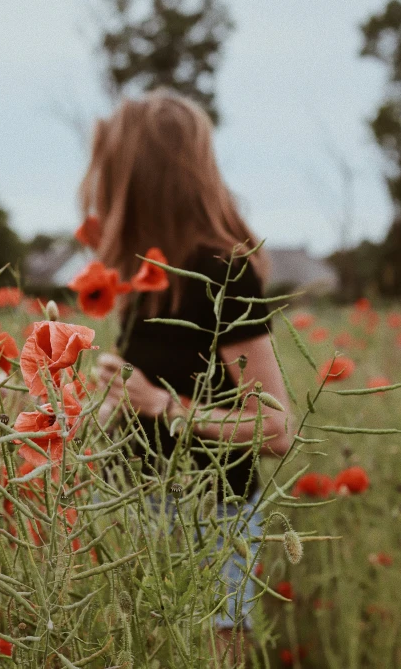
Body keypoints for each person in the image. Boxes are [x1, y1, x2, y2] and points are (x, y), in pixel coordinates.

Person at [79, 89, 295, 659]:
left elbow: (276, 428)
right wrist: (98, 411)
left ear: (137, 174)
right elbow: (144, 393)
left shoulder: (225, 273)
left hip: (213, 513)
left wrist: (161, 405)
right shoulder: (141, 276)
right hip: (137, 510)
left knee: (214, 651)